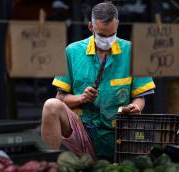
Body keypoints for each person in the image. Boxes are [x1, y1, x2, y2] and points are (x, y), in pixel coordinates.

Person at [41, 2, 155, 161]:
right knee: (51, 105)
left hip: (119, 135)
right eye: (102, 35)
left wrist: (135, 107)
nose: (108, 40)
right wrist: (81, 98)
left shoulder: (134, 52)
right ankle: (48, 166)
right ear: (90, 27)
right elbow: (61, 98)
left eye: (112, 34)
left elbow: (140, 97)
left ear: (118, 25)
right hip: (82, 132)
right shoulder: (72, 52)